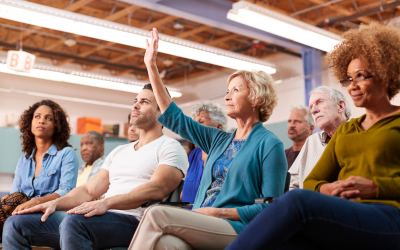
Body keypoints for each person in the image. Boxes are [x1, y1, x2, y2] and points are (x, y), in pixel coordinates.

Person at [225, 22, 400, 250]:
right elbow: (311, 182)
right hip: (344, 216)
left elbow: (302, 195)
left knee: (296, 201)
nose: (352, 86)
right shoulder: (347, 130)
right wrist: (330, 189)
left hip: (389, 216)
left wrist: (376, 187)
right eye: (348, 79)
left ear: (385, 73)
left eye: (361, 76)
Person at [127, 28, 287, 250]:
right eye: (227, 90)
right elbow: (175, 118)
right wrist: (151, 66)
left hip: (237, 227)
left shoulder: (269, 145)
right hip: (204, 221)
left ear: (256, 98)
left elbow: (271, 210)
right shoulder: (218, 140)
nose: (227, 96)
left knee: (156, 213)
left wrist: (219, 211)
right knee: (165, 244)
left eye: (235, 90)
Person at [2, 84, 189, 250]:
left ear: (161, 111)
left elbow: (157, 189)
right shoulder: (120, 151)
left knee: (74, 223)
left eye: (145, 101)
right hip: (100, 217)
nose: (135, 105)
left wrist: (106, 202)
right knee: (15, 224)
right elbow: (89, 189)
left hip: (135, 221)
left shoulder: (171, 147)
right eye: (135, 100)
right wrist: (54, 203)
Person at [0, 100, 79, 243]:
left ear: (56, 126)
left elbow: (66, 191)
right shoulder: (23, 161)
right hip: (23, 214)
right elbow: (14, 195)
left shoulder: (66, 154)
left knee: (12, 221)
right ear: (30, 123)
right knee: (12, 207)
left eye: (48, 118)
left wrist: (36, 202)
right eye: (37, 116)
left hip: (52, 213)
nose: (41, 121)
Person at [289, 86, 350, 189]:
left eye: (319, 102)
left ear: (340, 106)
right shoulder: (312, 141)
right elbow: (291, 182)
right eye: (311, 107)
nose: (313, 111)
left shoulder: (359, 134)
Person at [181, 100, 228, 208]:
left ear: (218, 127)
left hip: (207, 218)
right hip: (185, 214)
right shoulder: (194, 154)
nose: (195, 127)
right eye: (194, 123)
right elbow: (185, 190)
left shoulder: (226, 156)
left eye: (201, 122)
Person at [285, 105, 314, 169]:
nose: (291, 125)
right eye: (289, 121)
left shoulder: (317, 153)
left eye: (297, 121)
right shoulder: (283, 155)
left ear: (311, 128)